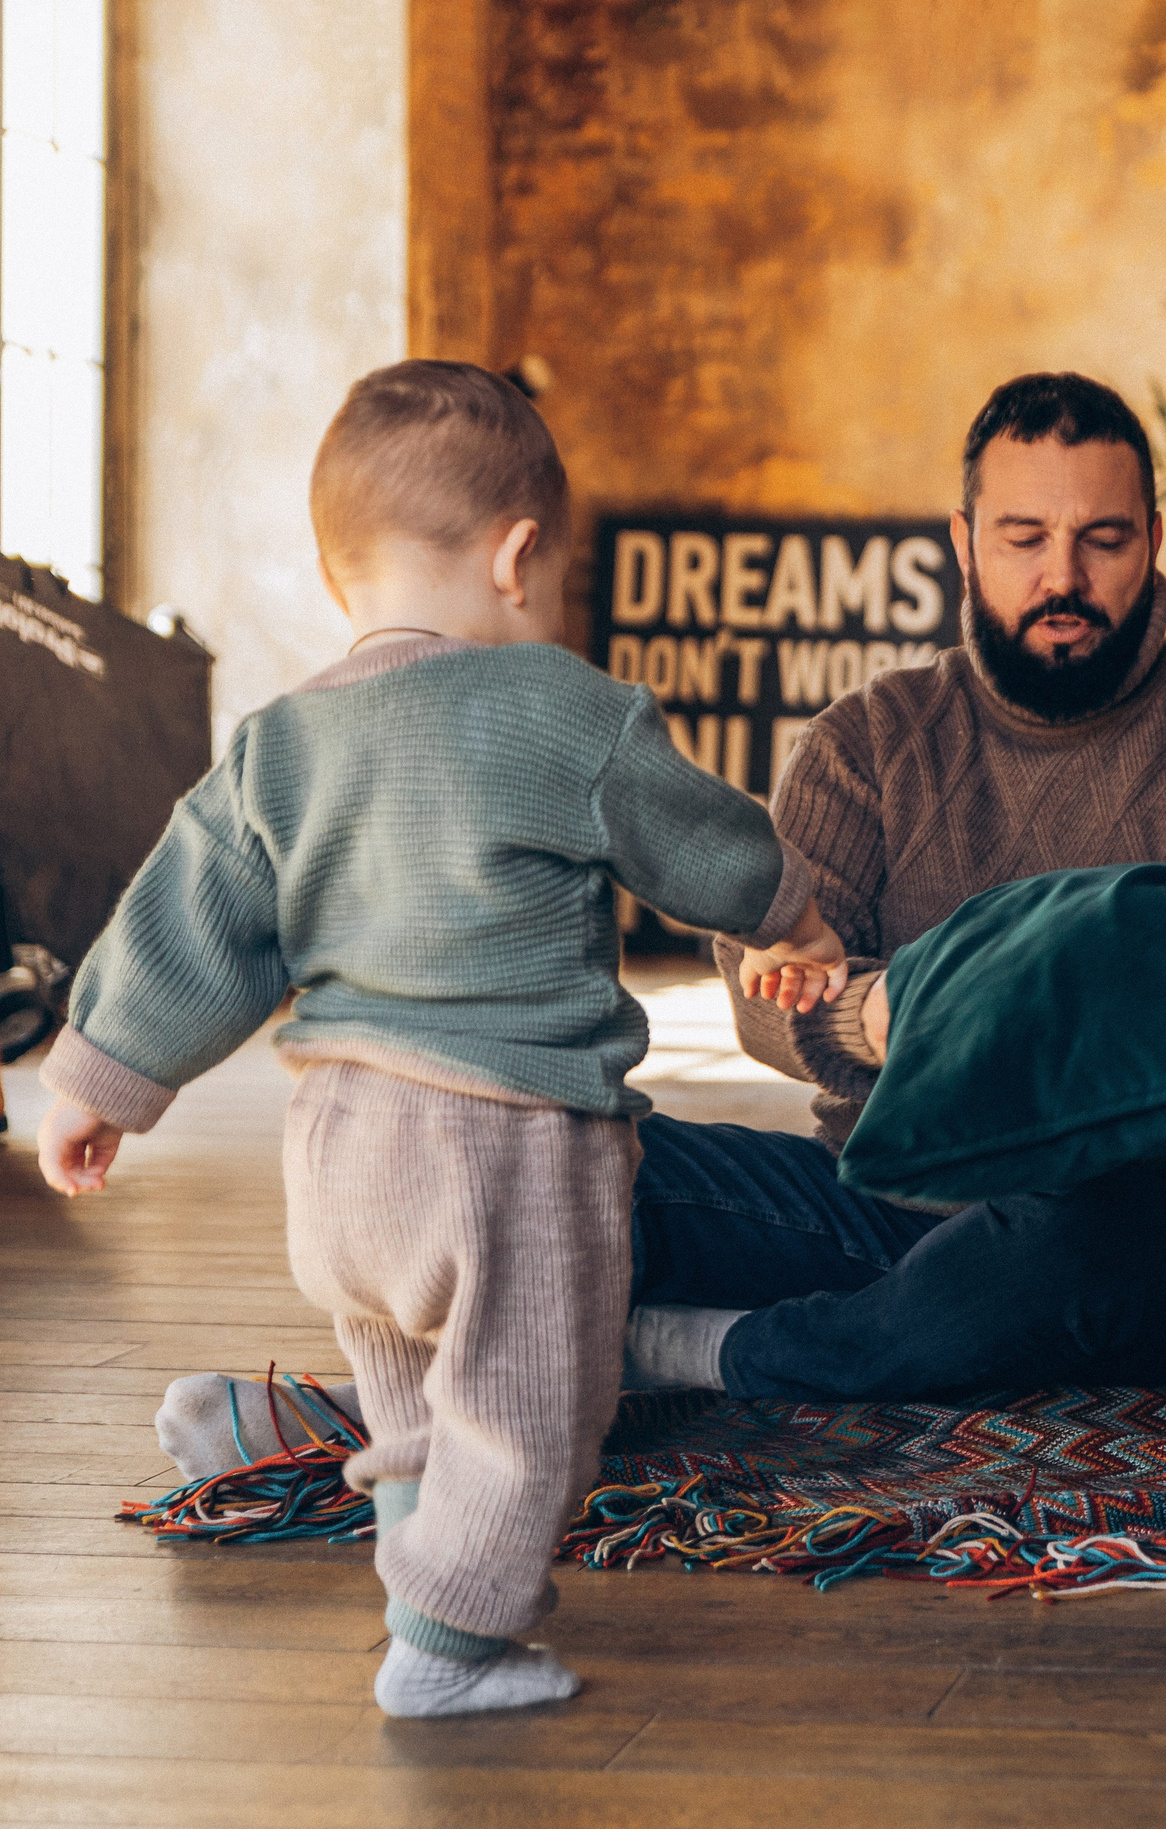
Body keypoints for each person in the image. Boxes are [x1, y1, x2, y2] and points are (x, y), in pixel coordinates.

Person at [151, 371, 1166, 1461]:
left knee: (1031, 1261)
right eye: (1025, 538)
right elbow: (770, 987)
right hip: (877, 1201)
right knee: (559, 1156)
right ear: (964, 543)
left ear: (1153, 544)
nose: (1065, 574)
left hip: (1150, 1233)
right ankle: (427, 1404)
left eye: (1103, 540)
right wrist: (885, 1017)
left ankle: (619, 1368)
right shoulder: (869, 743)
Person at [36, 361, 849, 1717]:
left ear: (336, 563)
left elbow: (192, 920)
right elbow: (694, 836)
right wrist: (794, 916)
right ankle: (454, 1645)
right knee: (531, 1405)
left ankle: (419, 1579)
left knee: (414, 1394)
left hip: (340, 1146)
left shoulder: (279, 745)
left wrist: (97, 1075)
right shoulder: (561, 708)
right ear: (522, 554)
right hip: (508, 1143)